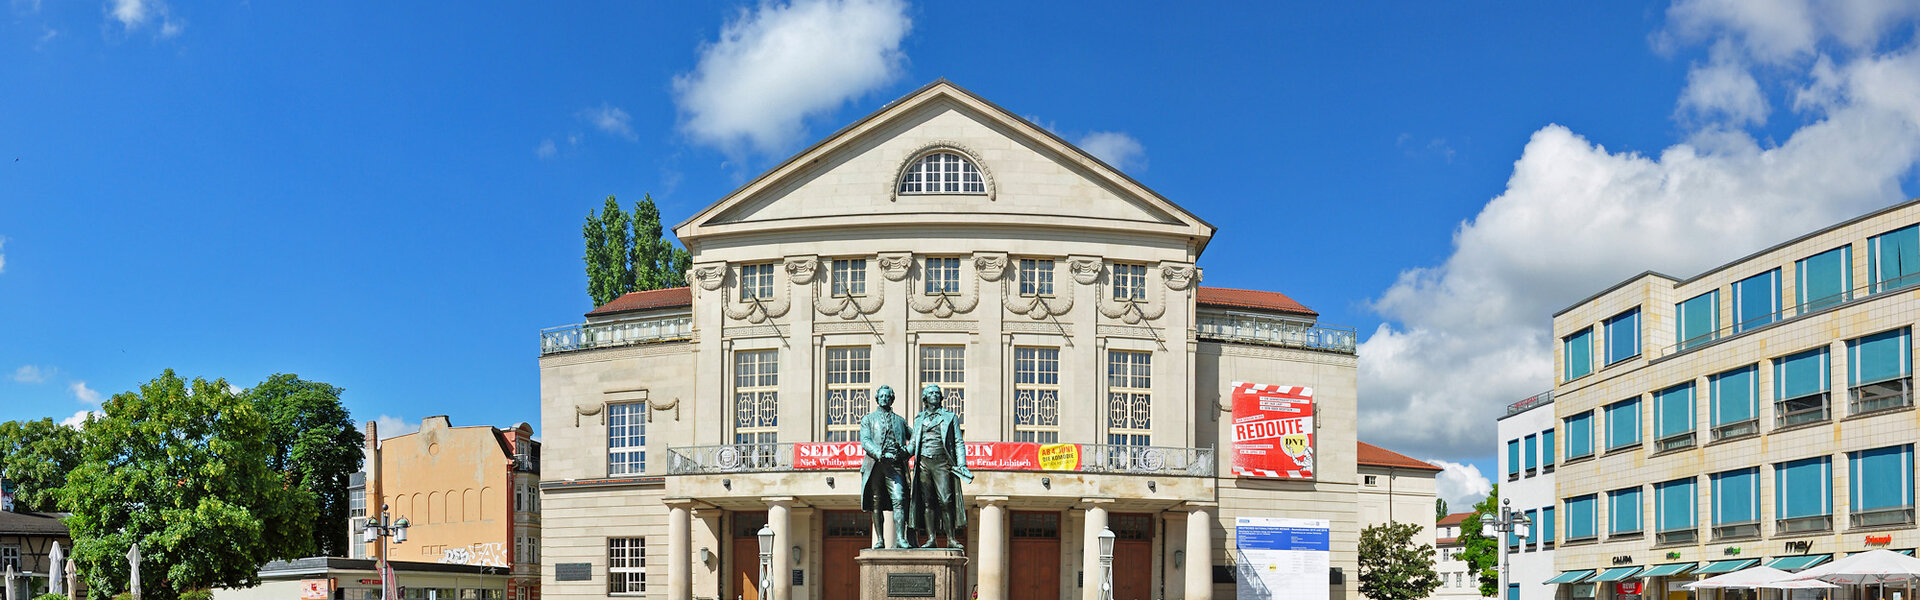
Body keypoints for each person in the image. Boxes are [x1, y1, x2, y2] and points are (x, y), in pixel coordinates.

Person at [908, 384, 973, 549]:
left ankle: (951, 538)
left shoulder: (950, 417)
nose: (934, 395)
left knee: (945, 500)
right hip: (923, 462)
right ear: (925, 398)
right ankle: (931, 538)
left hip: (941, 462)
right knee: (927, 502)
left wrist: (962, 464)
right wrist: (898, 454)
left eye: (937, 393)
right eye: (930, 393)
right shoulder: (919, 419)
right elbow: (913, 444)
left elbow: (958, 442)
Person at [858, 385, 912, 549]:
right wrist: (879, 453)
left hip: (895, 466)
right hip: (875, 465)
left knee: (900, 499)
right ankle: (880, 539)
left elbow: (915, 439)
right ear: (877, 398)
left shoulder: (900, 421)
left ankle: (900, 539)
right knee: (876, 502)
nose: (884, 399)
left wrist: (905, 453)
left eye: (888, 396)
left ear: (892, 399)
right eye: (882, 396)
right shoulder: (868, 419)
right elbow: (865, 441)